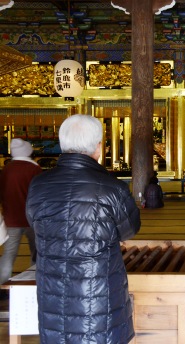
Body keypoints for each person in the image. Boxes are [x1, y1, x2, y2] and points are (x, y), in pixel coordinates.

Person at [26, 114, 141, 344]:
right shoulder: (113, 189)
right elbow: (130, 229)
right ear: (98, 147)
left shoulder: (38, 185)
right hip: (99, 297)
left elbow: (34, 222)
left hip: (53, 295)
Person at [0, 138, 42, 287]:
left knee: (8, 255)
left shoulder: (6, 169)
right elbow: (40, 193)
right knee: (36, 254)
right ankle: (34, 283)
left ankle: (2, 285)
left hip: (11, 220)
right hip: (31, 219)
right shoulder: (34, 169)